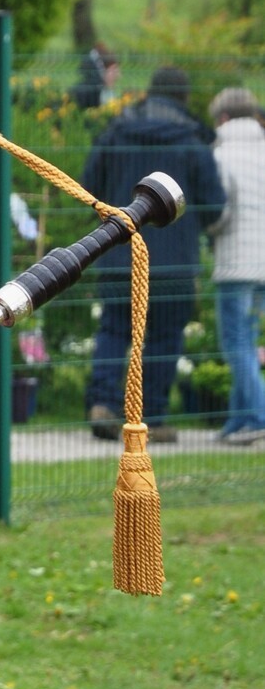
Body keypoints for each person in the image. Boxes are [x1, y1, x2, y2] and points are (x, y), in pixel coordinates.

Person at [82, 64, 225, 441]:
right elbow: (214, 204)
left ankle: (104, 404)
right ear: (184, 97)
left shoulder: (116, 132)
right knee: (164, 337)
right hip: (175, 263)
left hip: (118, 253)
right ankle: (151, 419)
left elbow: (88, 187)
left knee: (114, 328)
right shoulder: (193, 141)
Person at [207, 87, 265, 445]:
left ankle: (258, 416)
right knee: (249, 340)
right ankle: (237, 420)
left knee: (235, 342)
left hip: (235, 263)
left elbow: (220, 210)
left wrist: (209, 230)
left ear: (223, 118)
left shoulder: (221, 155)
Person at [70, 41, 120, 110]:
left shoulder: (103, 93)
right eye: (114, 71)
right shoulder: (88, 95)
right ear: (103, 71)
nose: (118, 75)